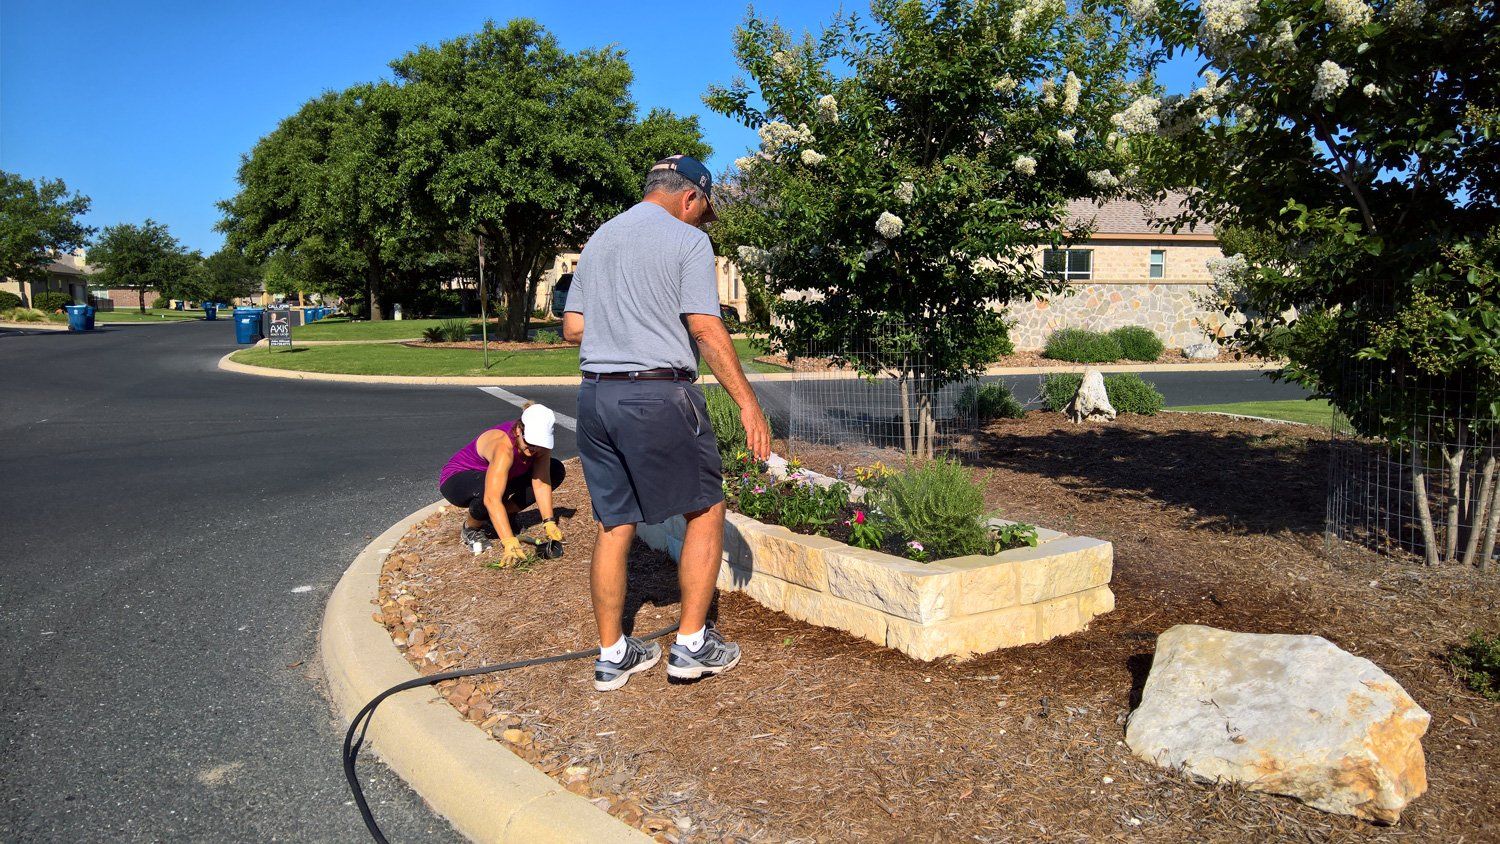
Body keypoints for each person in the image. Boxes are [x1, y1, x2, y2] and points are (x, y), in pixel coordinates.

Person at [563, 154, 772, 692]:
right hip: (658, 395)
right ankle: (692, 645)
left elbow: (572, 327)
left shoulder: (600, 239)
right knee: (704, 508)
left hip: (595, 398)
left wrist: (625, 325)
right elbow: (704, 327)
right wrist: (748, 403)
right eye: (704, 211)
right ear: (689, 197)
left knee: (615, 523)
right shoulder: (688, 241)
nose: (702, 223)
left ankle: (613, 655)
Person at [438, 403, 566, 567]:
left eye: (539, 444)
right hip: (457, 479)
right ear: (519, 431)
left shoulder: (540, 446)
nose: (534, 449)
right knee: (488, 492)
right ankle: (471, 528)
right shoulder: (503, 448)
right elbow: (492, 498)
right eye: (530, 443)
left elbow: (541, 484)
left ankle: (501, 515)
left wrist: (549, 521)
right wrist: (509, 542)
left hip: (502, 477)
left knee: (555, 470)